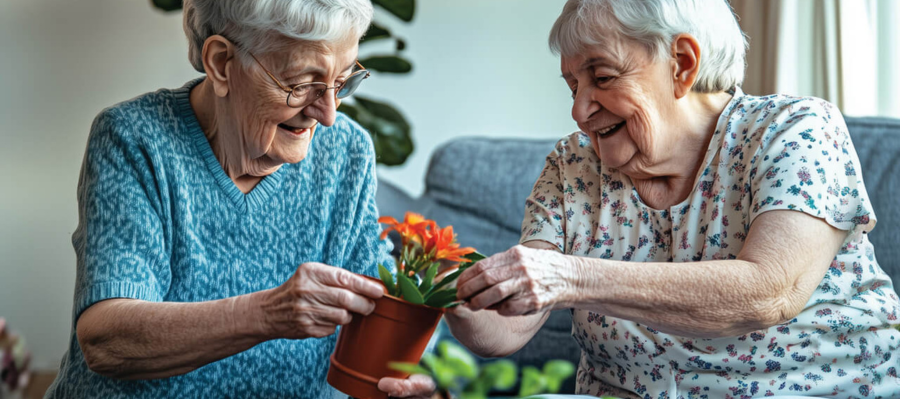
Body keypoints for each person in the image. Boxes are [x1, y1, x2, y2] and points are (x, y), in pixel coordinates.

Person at [441, 0, 900, 398]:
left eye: (601, 77)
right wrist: (454, 294)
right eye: (573, 87)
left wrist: (571, 277)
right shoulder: (573, 164)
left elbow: (769, 292)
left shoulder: (793, 130)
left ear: (681, 63)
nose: (579, 111)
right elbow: (509, 326)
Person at [45, 0, 432, 397]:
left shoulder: (347, 149)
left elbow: (382, 300)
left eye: (342, 82)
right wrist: (267, 314)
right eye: (300, 84)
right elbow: (106, 342)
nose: (327, 113)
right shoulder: (137, 139)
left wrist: (459, 315)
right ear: (220, 63)